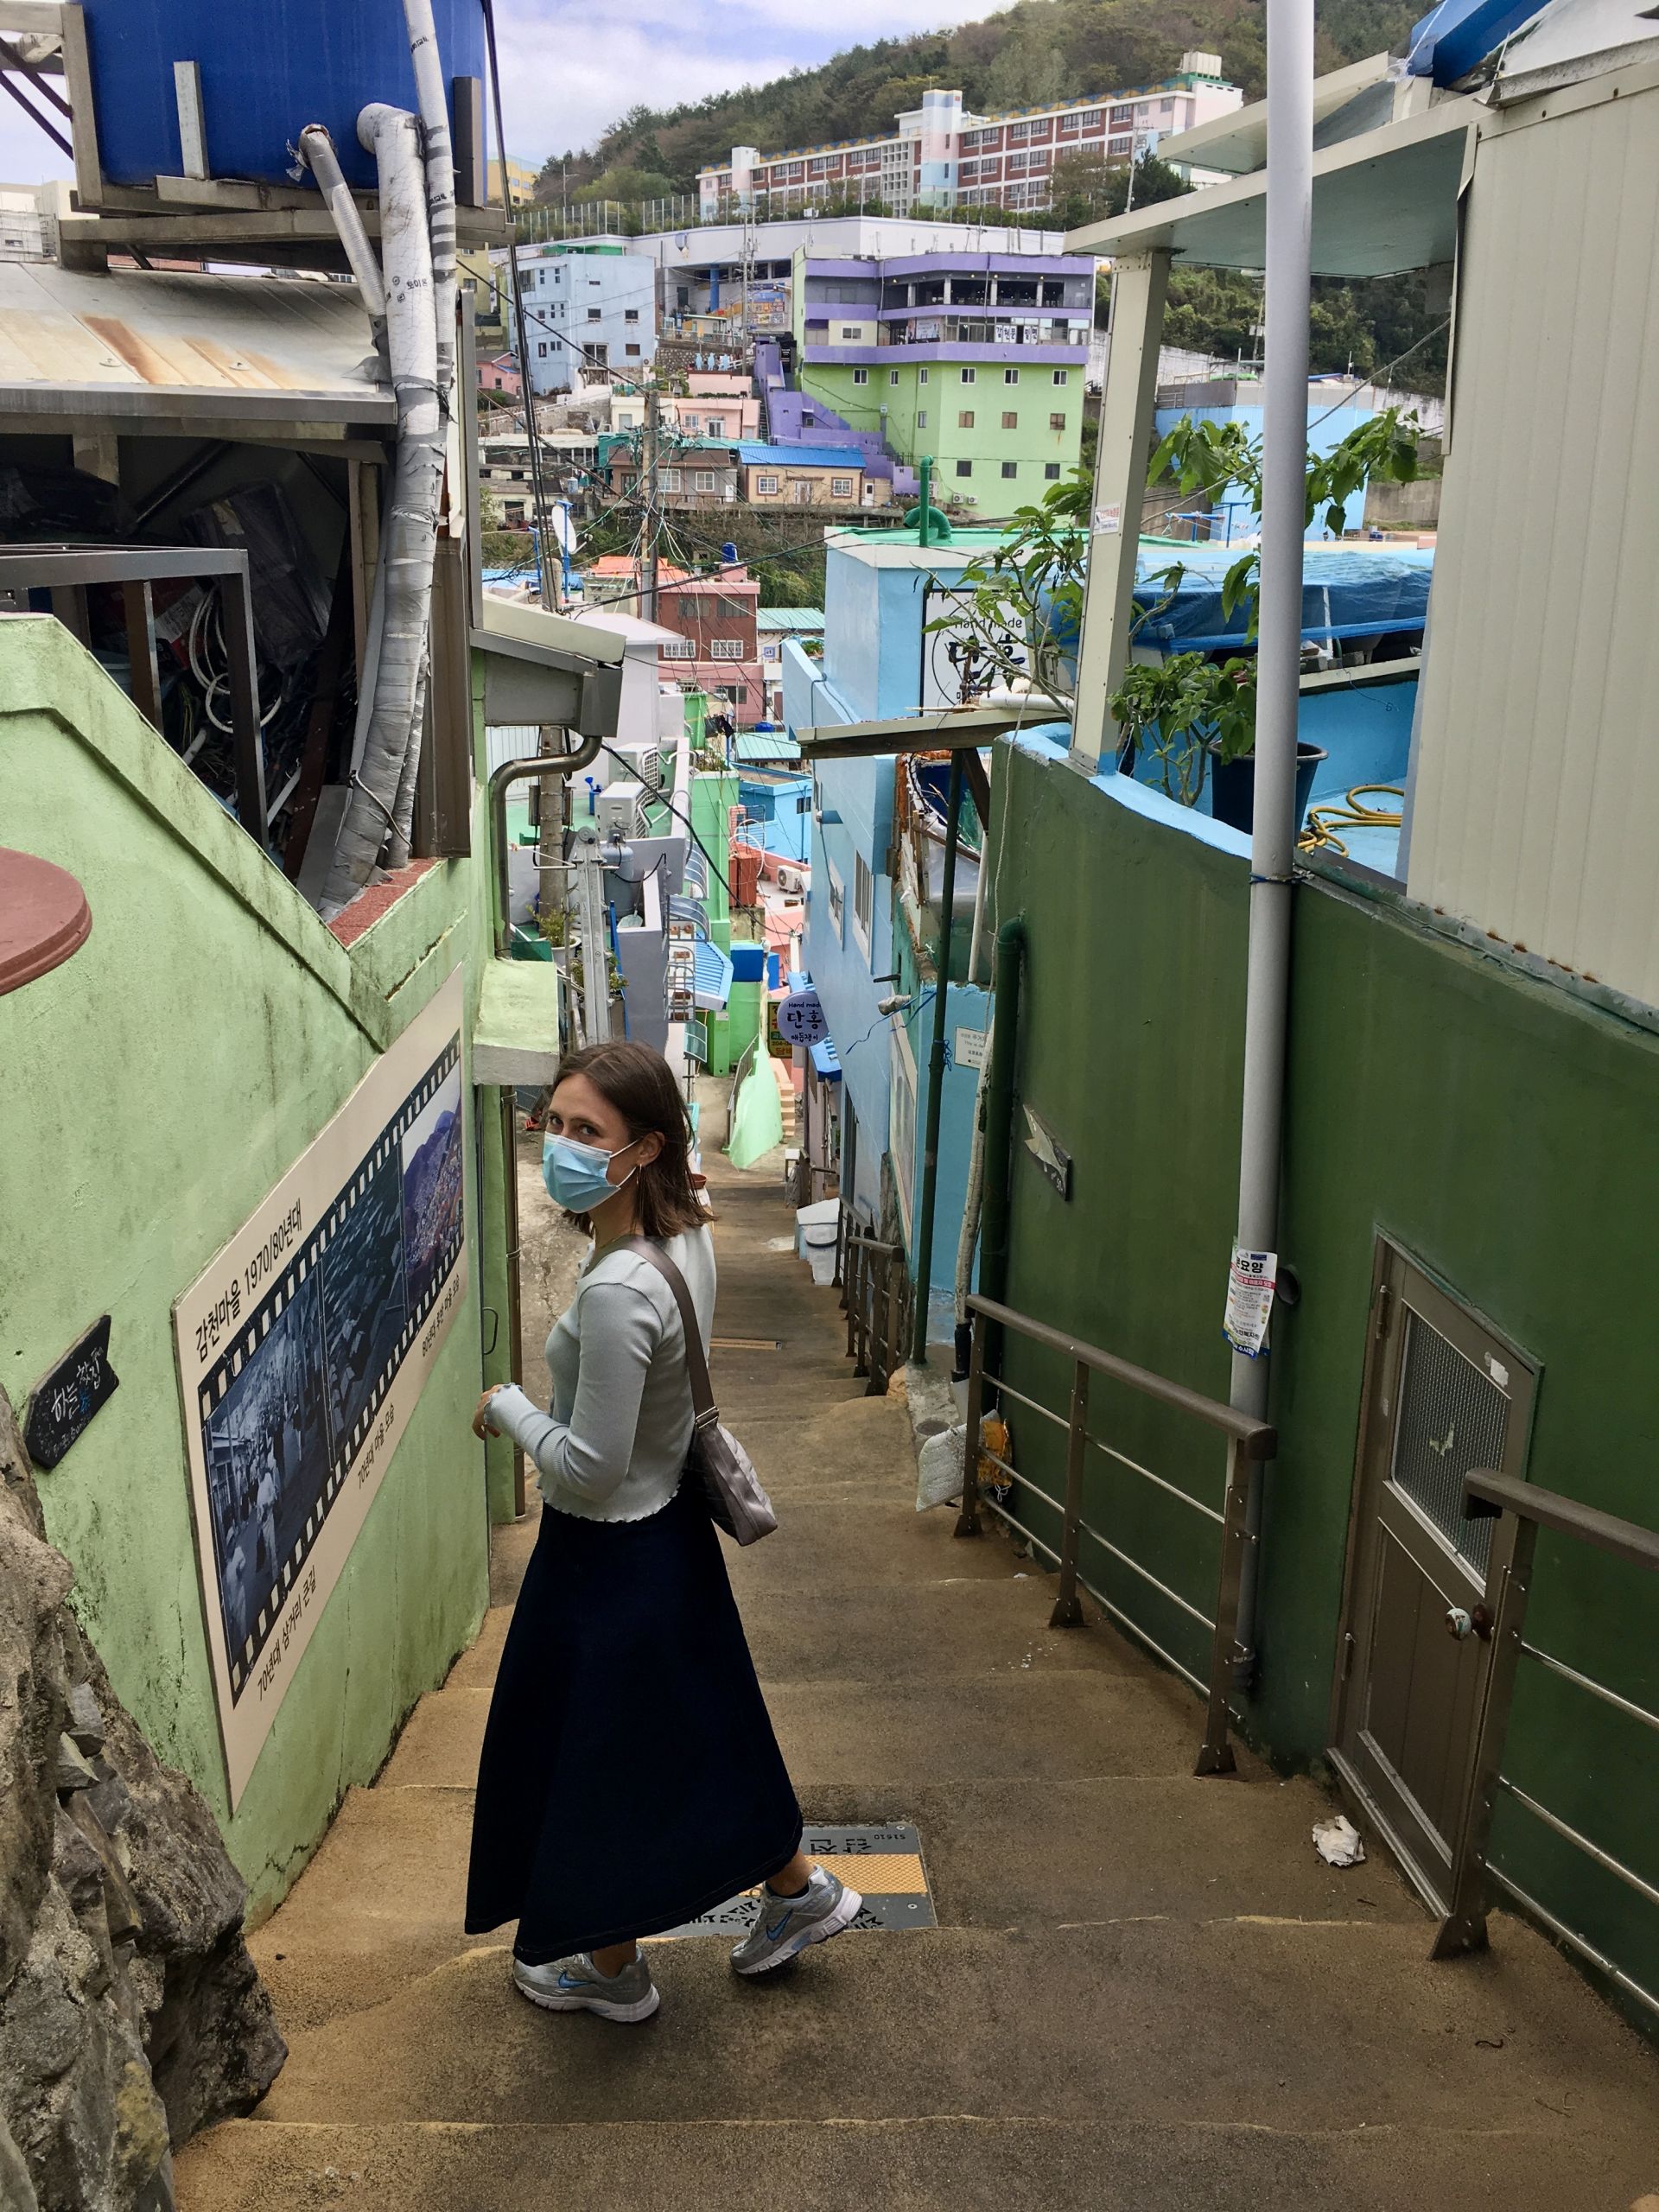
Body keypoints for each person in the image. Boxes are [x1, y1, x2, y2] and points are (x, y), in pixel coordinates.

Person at [465, 1039, 859, 2024]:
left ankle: (610, 1975)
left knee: (590, 1762)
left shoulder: (613, 1292)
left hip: (604, 1556)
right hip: (671, 1533)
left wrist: (509, 1406)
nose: (560, 1143)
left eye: (585, 1130)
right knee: (707, 1727)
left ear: (641, 1149)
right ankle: (802, 1890)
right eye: (553, 1122)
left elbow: (587, 1467)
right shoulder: (684, 1235)